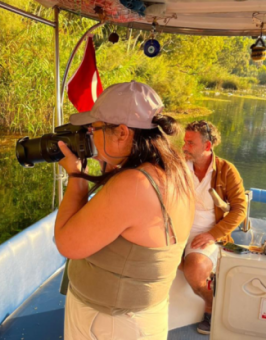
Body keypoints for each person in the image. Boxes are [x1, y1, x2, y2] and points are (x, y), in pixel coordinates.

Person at [54, 81, 195, 339]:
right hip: (136, 318)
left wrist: (76, 175)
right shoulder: (174, 169)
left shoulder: (134, 185)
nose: (89, 136)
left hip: (109, 324)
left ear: (121, 133)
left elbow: (66, 244)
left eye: (93, 128)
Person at [181, 121, 247, 335]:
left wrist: (212, 235)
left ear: (207, 146)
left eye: (190, 143)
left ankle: (211, 305)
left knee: (195, 269)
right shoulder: (179, 166)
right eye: (184, 141)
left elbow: (239, 209)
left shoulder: (227, 170)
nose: (184, 147)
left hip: (208, 235)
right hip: (175, 231)